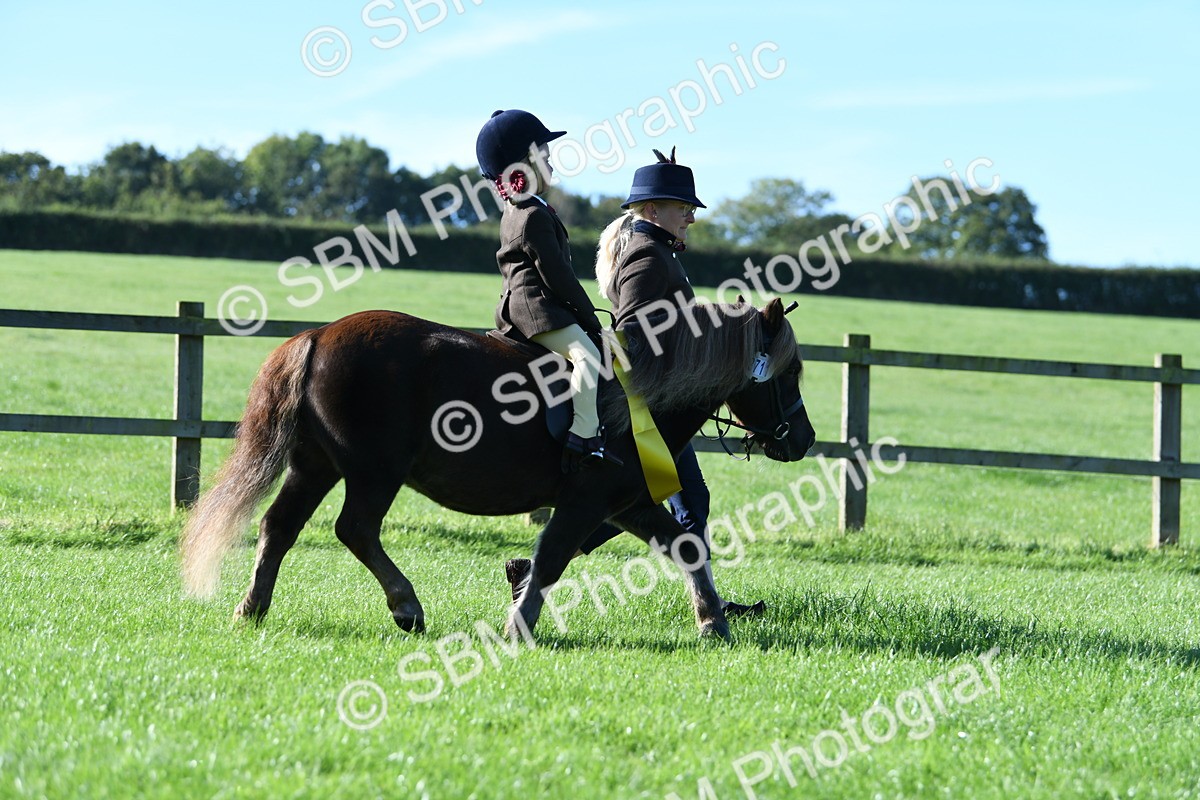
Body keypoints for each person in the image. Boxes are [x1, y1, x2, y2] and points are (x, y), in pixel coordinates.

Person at [506, 148, 763, 618]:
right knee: (642, 501)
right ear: (651, 211)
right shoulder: (647, 254)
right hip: (647, 404)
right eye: (682, 208)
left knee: (662, 501)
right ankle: (709, 606)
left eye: (690, 209)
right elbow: (636, 331)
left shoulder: (658, 249)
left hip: (657, 401)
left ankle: (708, 602)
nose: (690, 216)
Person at [475, 109, 620, 471]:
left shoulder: (520, 208)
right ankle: (585, 435)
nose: (552, 161)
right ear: (523, 165)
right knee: (589, 356)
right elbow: (558, 277)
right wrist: (590, 317)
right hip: (536, 311)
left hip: (528, 306)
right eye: (544, 154)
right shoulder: (533, 215)